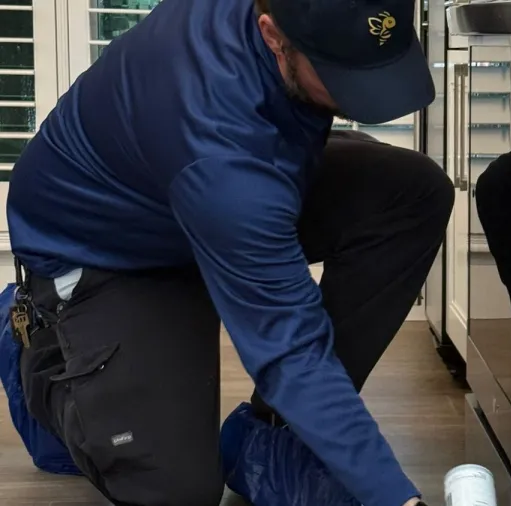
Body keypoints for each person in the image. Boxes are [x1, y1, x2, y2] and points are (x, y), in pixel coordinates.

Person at [5, 0, 451, 504]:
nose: (366, 98)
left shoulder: (280, 41)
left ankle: (272, 435)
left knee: (410, 194)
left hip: (206, 189)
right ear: (272, 35)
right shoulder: (216, 142)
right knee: (176, 489)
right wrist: (397, 498)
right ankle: (39, 346)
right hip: (107, 252)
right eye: (343, 76)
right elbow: (288, 348)